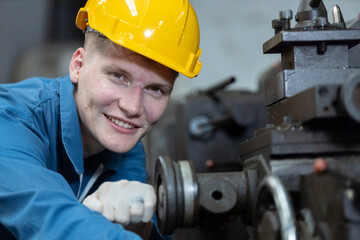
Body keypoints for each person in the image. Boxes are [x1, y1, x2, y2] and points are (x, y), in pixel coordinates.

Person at [0, 0, 202, 239]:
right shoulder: (11, 118)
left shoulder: (126, 148)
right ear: (78, 65)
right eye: (118, 76)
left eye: (155, 89)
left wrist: (141, 226)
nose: (132, 107)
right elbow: (53, 222)